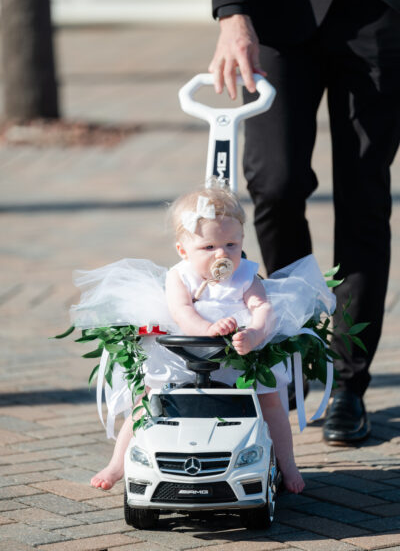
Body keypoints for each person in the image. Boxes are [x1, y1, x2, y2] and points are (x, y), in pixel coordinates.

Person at [207, 0, 400, 444]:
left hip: (380, 3)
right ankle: (293, 348)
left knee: (365, 195)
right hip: (281, 3)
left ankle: (347, 381)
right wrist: (232, 12)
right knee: (275, 182)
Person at [72, 184, 334, 494]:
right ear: (184, 251)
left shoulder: (246, 275)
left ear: (241, 242)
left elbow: (262, 307)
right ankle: (118, 462)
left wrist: (254, 333)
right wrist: (205, 328)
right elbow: (181, 312)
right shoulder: (179, 276)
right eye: (209, 248)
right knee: (149, 399)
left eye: (231, 245)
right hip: (186, 349)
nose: (222, 254)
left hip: (241, 354)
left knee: (270, 400)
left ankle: (287, 463)